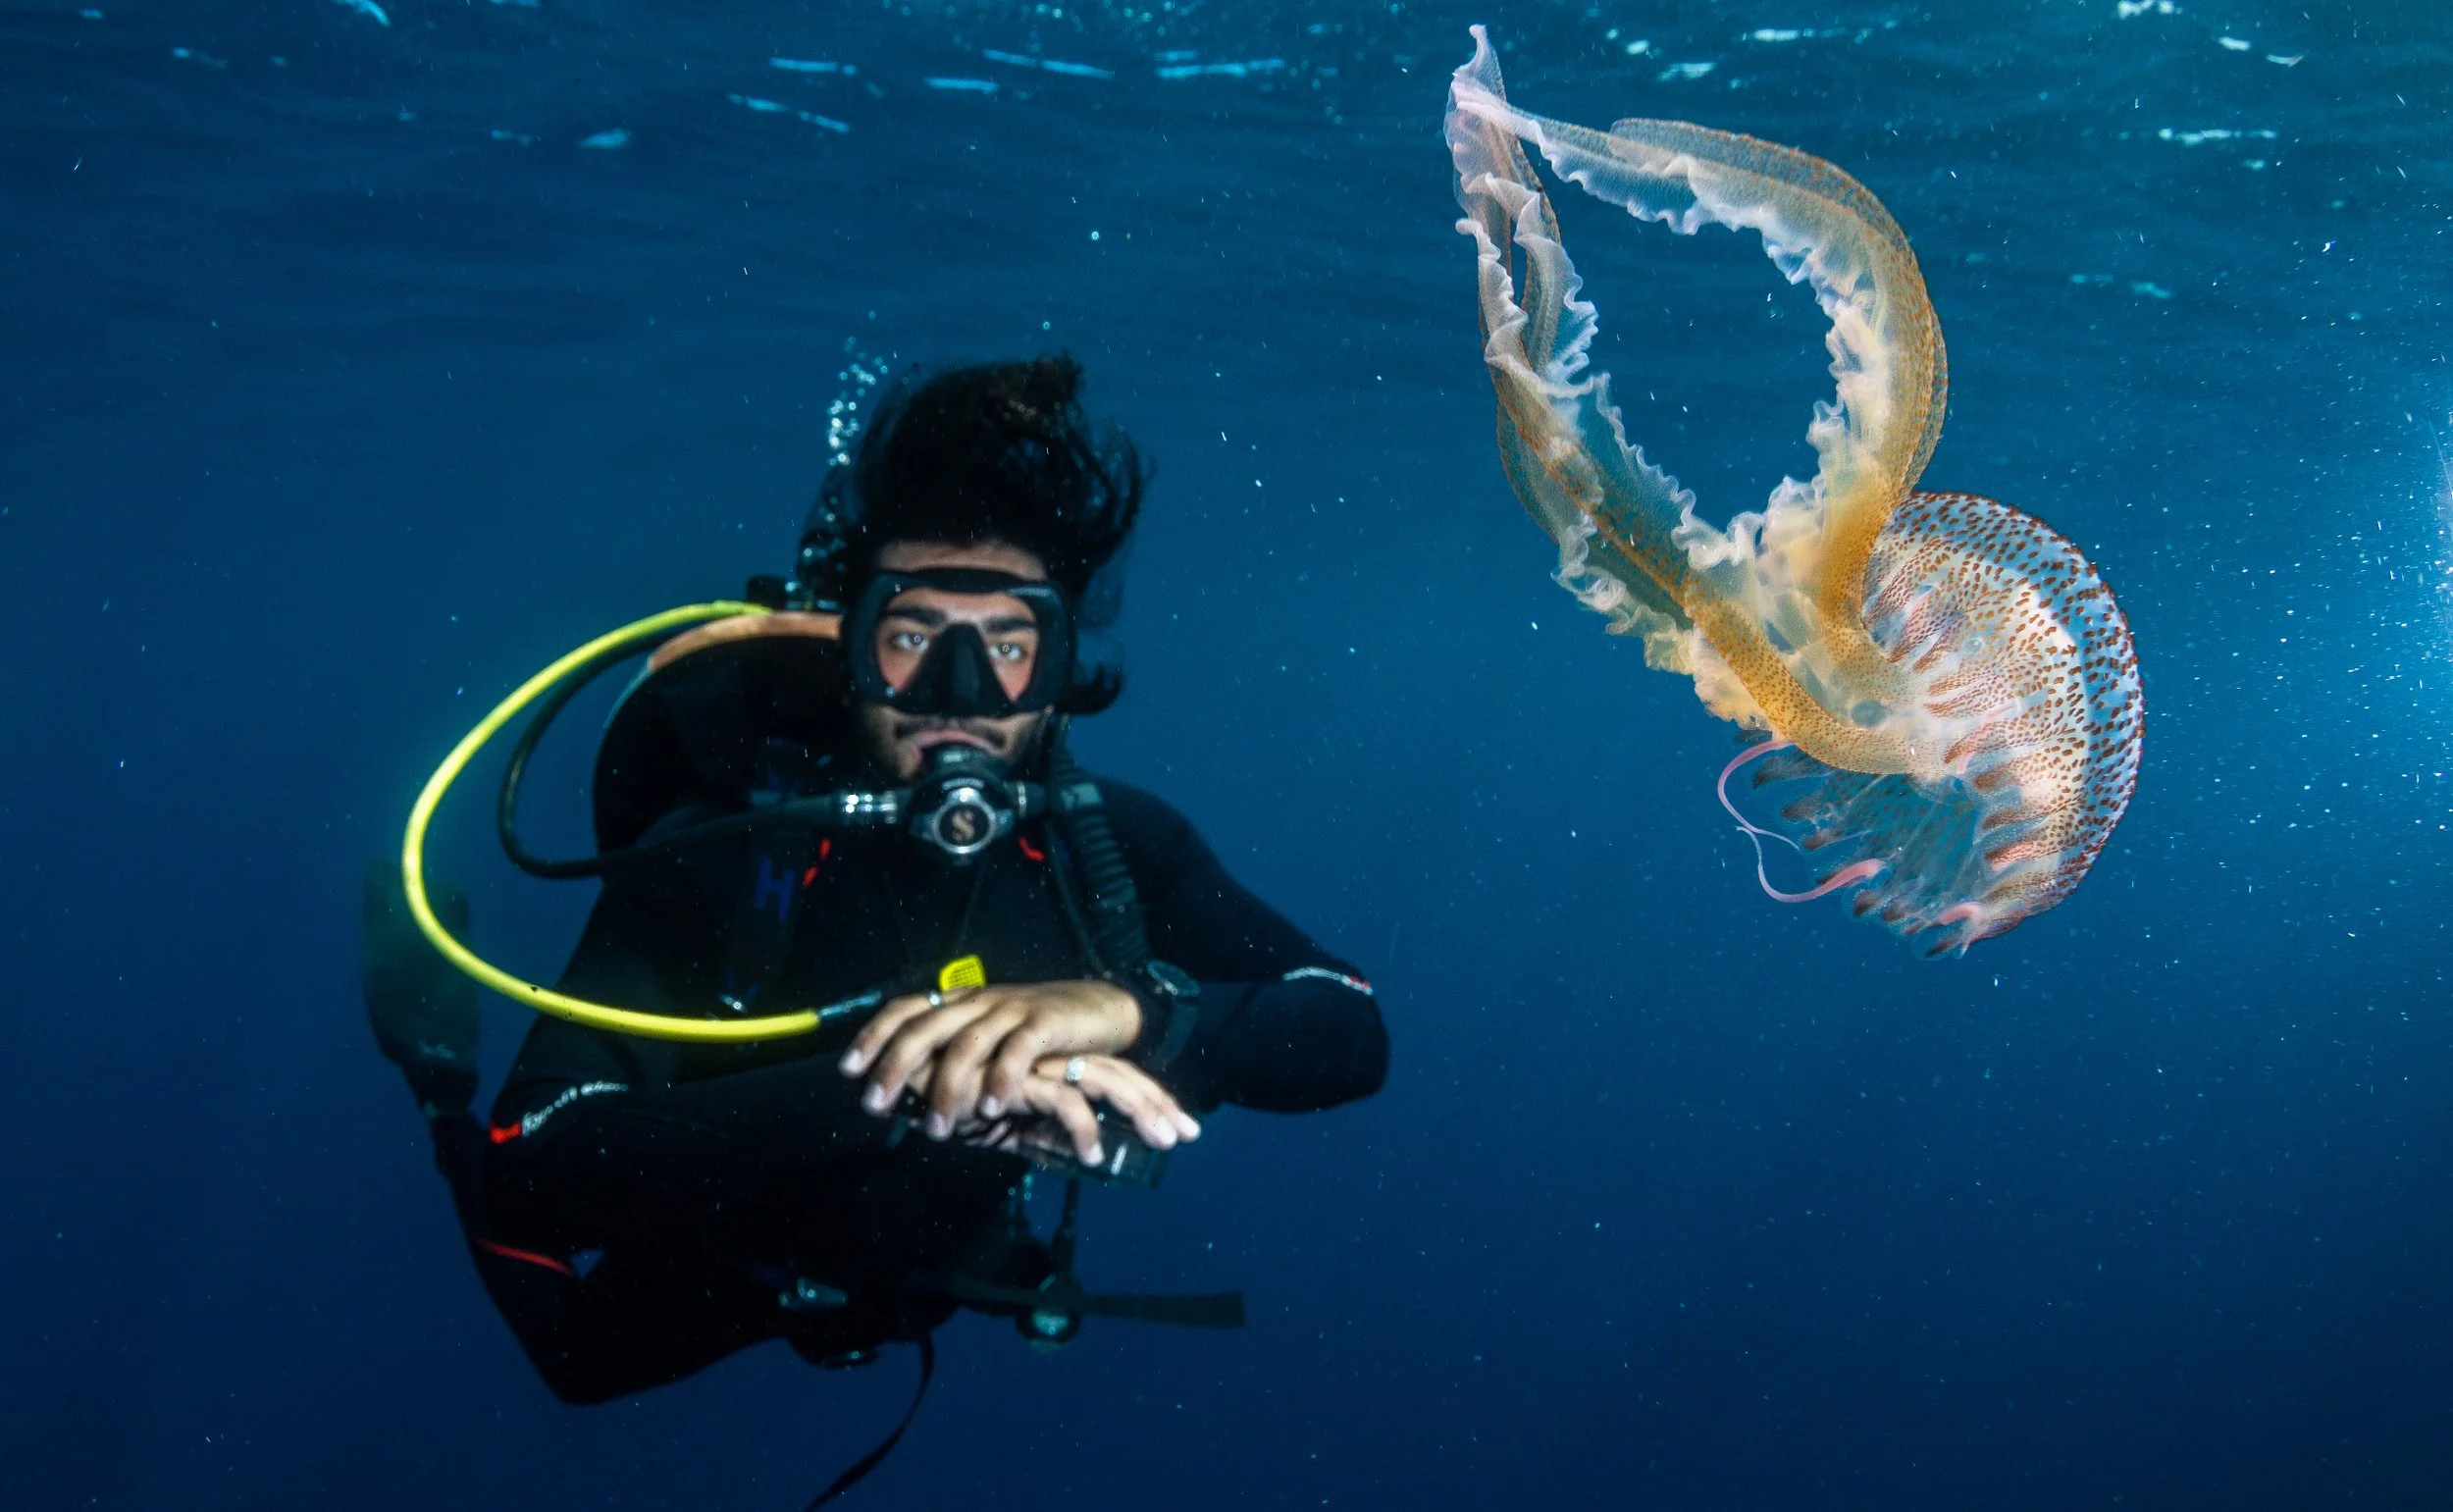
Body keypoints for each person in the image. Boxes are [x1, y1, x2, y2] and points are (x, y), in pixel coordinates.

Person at [364, 356, 1388, 1455]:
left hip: (945, 1254)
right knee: (575, 1359)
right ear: (847, 652)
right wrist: (903, 1083)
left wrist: (1129, 1012)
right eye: (912, 638)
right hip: (742, 1241)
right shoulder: (725, 851)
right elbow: (534, 1167)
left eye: (1006, 646)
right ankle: (433, 1082)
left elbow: (1345, 1025)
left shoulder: (1115, 840)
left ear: (1057, 668)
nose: (958, 695)